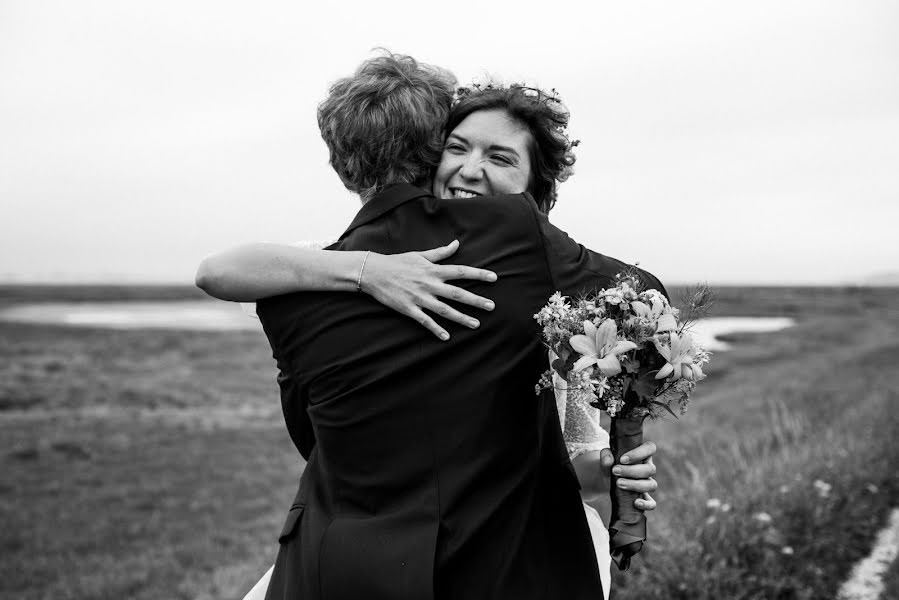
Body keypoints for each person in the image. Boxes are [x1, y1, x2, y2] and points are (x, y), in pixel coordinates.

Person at [197, 52, 660, 600]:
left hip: (336, 565)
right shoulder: (515, 238)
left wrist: (615, 463)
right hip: (502, 565)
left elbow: (313, 437)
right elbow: (648, 300)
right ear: (430, 151)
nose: (469, 169)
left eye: (499, 157)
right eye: (457, 147)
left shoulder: (286, 290)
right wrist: (369, 271)